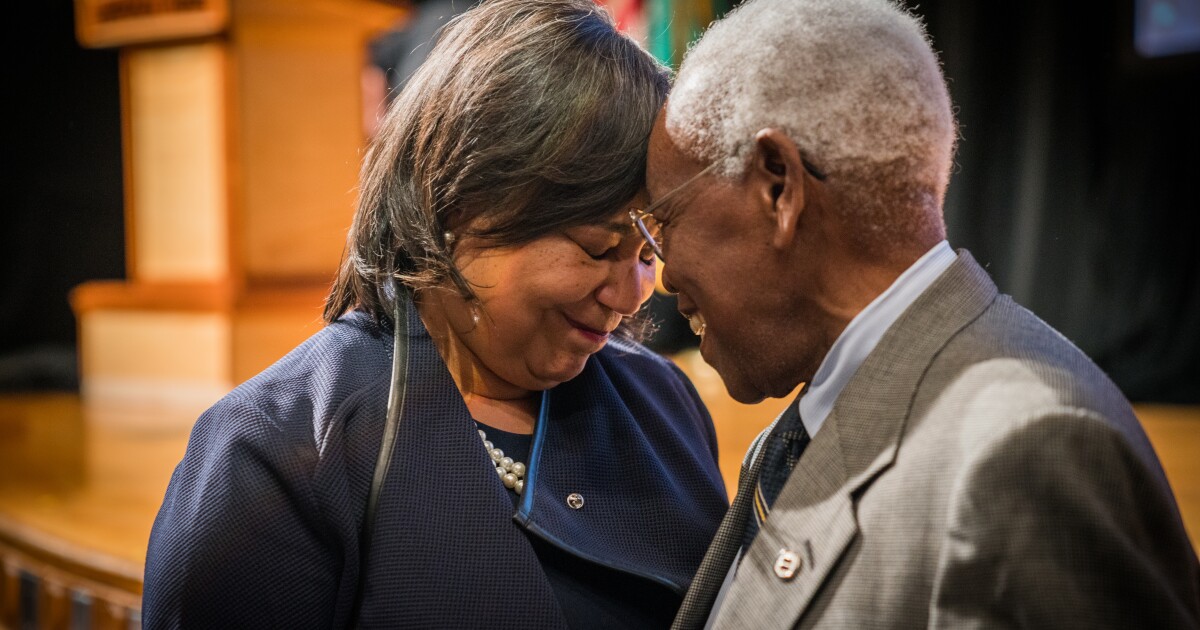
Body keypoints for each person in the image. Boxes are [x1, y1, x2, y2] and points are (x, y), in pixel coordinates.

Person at [141, 1, 729, 627]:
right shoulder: (281, 446)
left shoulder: (664, 401)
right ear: (459, 202)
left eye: (648, 253)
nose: (633, 292)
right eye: (597, 248)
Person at [629, 0, 1200, 627]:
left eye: (666, 225)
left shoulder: (1024, 454)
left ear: (779, 187)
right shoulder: (808, 425)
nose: (665, 275)